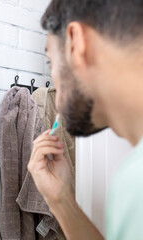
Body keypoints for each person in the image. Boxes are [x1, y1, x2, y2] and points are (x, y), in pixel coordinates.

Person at [28, 0, 143, 239]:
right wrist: (60, 200)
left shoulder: (136, 182)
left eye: (51, 63)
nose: (54, 83)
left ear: (76, 43)